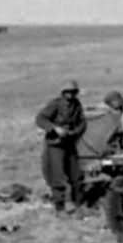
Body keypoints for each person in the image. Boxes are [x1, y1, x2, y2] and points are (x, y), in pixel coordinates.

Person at [34, 80, 87, 213]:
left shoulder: (77, 105)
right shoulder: (55, 104)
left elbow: (82, 122)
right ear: (63, 93)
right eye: (67, 92)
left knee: (76, 175)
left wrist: (74, 133)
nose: (70, 94)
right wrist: (55, 129)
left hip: (69, 144)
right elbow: (40, 119)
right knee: (57, 177)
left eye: (73, 92)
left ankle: (79, 204)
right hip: (55, 145)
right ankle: (60, 207)